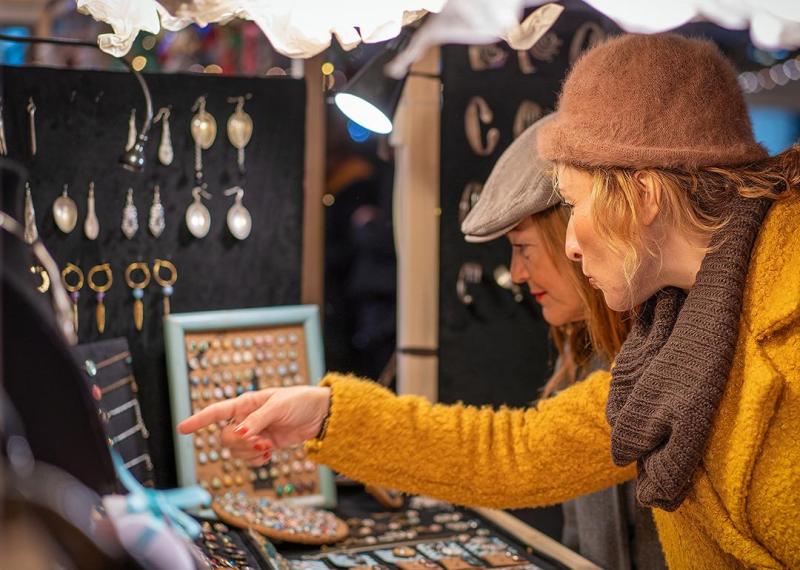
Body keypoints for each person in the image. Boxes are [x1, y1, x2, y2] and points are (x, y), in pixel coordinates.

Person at [179, 34, 800, 568]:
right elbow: (518, 452)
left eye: (575, 206)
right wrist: (325, 415)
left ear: (640, 197)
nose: (574, 244)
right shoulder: (676, 335)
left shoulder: (777, 316)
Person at [180, 116, 663, 568]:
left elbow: (514, 455)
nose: (516, 273)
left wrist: (329, 414)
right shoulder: (597, 357)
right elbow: (520, 459)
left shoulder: (669, 362)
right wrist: (325, 414)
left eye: (523, 248)